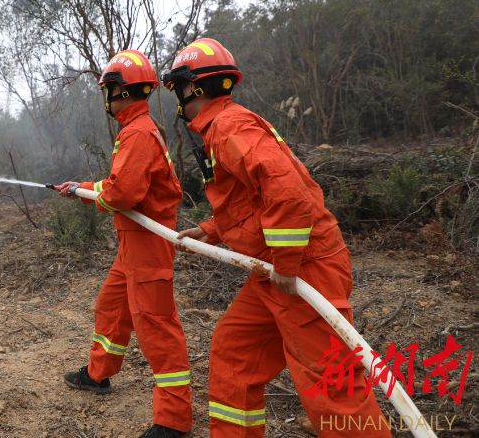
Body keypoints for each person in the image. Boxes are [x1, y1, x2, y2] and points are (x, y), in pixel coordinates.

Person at [164, 38, 390, 438]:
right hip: (275, 271)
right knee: (235, 351)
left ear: (195, 88)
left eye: (179, 88)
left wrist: (286, 262)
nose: (178, 99)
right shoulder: (220, 128)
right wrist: (213, 229)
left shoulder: (229, 126)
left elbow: (289, 192)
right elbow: (249, 198)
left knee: (331, 384)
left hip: (304, 267)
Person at [58, 50, 192, 438]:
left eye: (109, 90)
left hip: (149, 244)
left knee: (157, 329)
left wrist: (92, 195)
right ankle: (98, 375)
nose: (107, 98)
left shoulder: (137, 133)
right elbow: (119, 186)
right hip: (134, 243)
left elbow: (121, 195)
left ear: (120, 90)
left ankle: (174, 421)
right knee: (112, 306)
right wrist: (82, 188)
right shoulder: (136, 130)